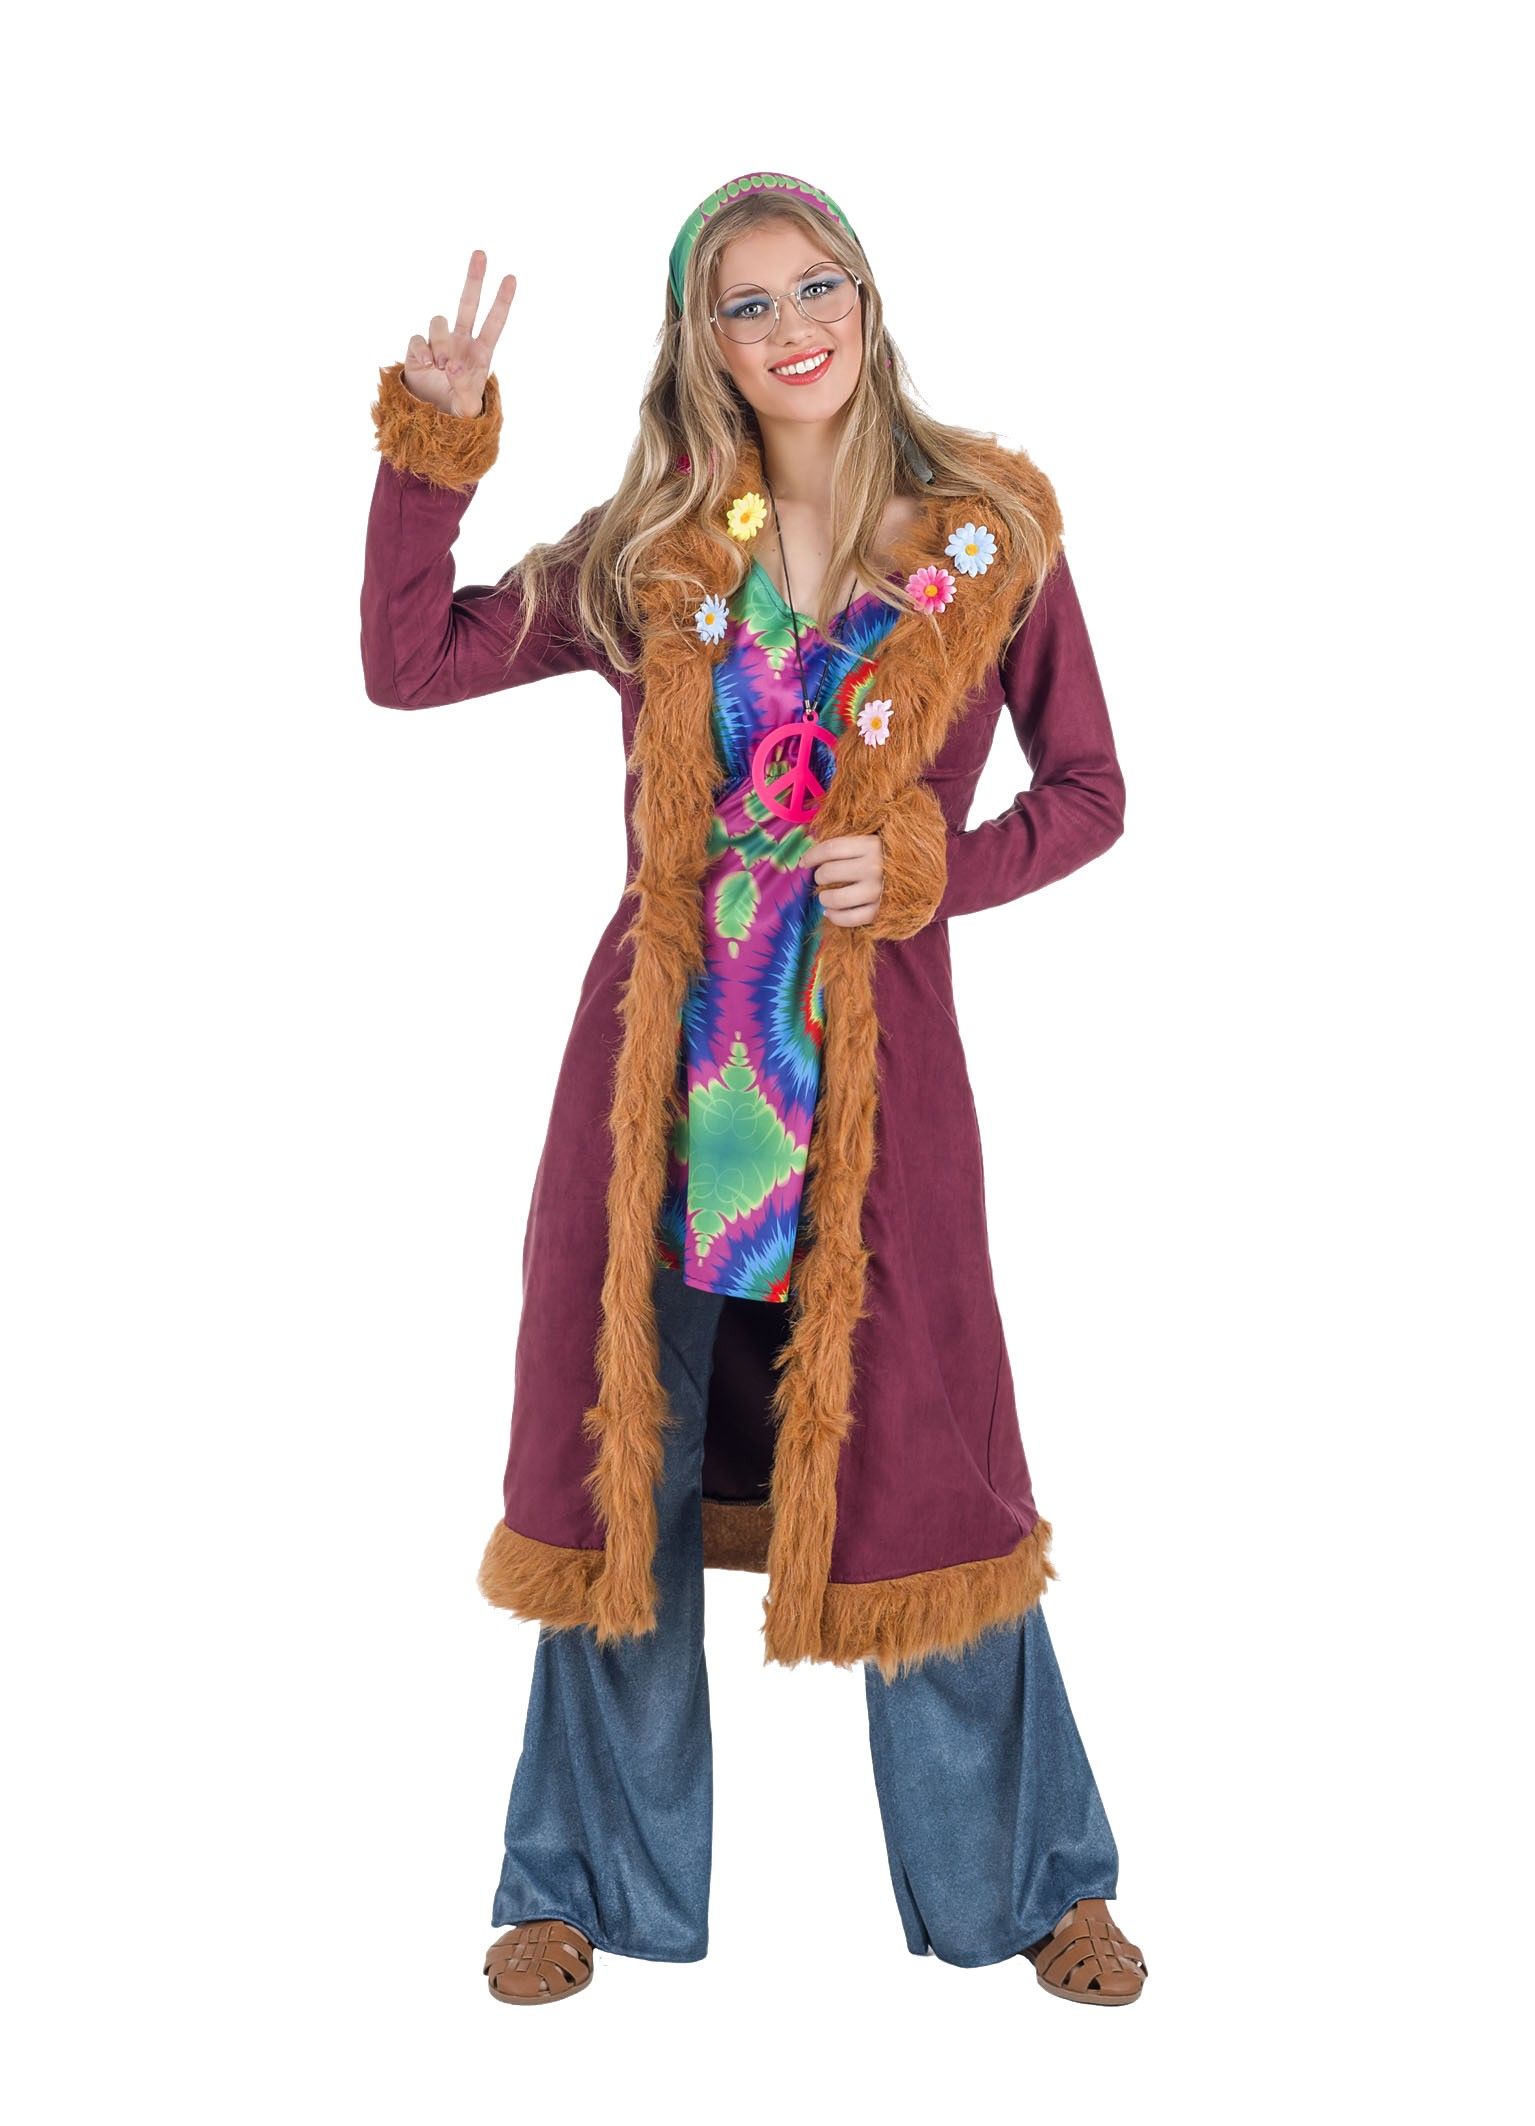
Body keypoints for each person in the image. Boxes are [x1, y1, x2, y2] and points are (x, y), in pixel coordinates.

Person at [360, 171, 1146, 2009]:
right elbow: (408, 662)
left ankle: (1037, 1883)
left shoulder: (990, 542)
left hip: (879, 1110)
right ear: (701, 342)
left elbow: (1092, 791)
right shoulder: (656, 553)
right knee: (613, 1488)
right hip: (667, 1096)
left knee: (935, 1481)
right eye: (748, 302)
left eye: (819, 288)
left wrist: (940, 866)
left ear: (867, 301)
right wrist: (436, 451)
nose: (794, 328)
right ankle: (571, 1882)